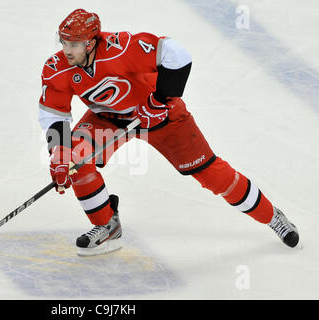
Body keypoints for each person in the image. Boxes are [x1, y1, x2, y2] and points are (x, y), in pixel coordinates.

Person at [38, 8, 299, 256]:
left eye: (74, 44)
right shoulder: (56, 68)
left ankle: (272, 216)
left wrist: (160, 99)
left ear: (91, 43)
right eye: (64, 42)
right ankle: (107, 225)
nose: (66, 50)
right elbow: (54, 113)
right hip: (108, 119)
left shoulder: (122, 47)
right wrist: (60, 154)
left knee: (212, 175)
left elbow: (177, 54)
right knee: (73, 160)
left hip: (162, 117)